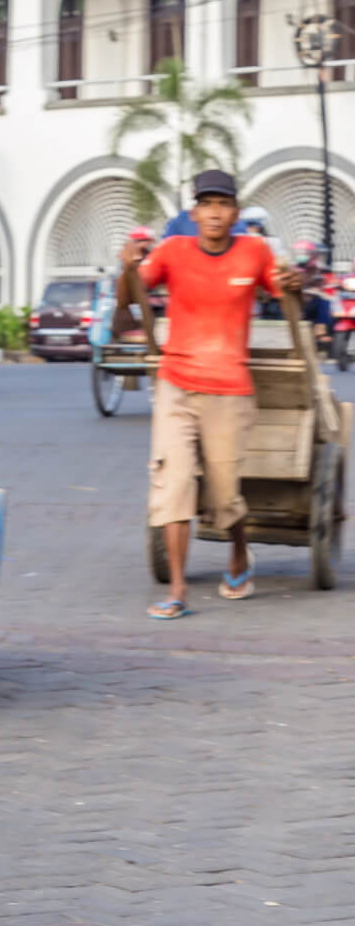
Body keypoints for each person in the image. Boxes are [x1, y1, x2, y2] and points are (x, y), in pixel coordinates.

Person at [119, 169, 300, 620]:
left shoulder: (255, 251)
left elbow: (286, 290)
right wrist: (126, 267)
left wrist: (294, 283)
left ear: (234, 212)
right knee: (173, 483)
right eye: (206, 204)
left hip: (230, 389)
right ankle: (178, 590)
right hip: (176, 383)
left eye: (222, 204)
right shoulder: (173, 251)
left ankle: (239, 550)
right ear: (194, 212)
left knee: (223, 498)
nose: (214, 212)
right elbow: (130, 296)